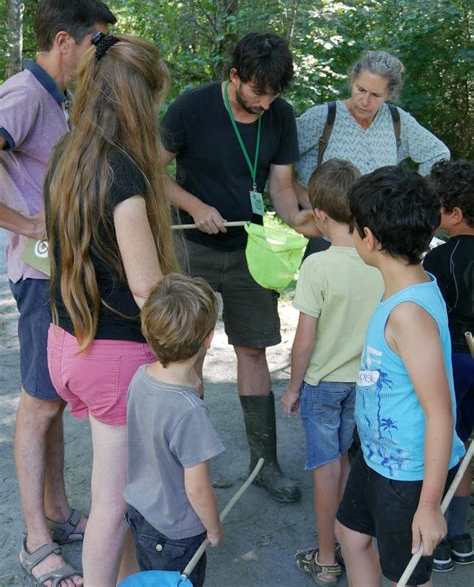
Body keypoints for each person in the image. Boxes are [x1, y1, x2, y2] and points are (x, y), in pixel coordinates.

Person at [44, 34, 177, 586]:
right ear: (137, 101)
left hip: (67, 342)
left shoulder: (67, 153)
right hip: (113, 353)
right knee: (113, 504)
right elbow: (148, 287)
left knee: (119, 494)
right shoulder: (123, 173)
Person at [160, 32, 316, 503]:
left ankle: (265, 465)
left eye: (273, 95)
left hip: (250, 248)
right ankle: (189, 469)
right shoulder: (191, 108)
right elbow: (151, 169)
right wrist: (193, 205)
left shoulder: (280, 115)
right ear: (234, 77)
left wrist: (301, 222)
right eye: (256, 93)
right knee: (188, 354)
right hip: (192, 246)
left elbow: (283, 188)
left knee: (254, 350)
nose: (265, 103)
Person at [0, 0, 116, 586]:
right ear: (65, 41)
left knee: (53, 395)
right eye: (97, 42)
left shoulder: (57, 97)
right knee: (40, 402)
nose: (101, 54)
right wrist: (25, 223)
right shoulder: (22, 95)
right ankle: (35, 539)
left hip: (60, 269)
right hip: (40, 273)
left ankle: (59, 512)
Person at [335, 166, 465, 587]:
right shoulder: (404, 287)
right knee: (350, 535)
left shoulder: (409, 314)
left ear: (368, 238)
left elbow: (441, 412)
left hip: (407, 472)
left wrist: (429, 506)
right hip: (377, 455)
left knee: (407, 577)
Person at [281, 159, 384, 585]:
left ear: (319, 214)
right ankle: (352, 540)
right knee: (350, 462)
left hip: (323, 386)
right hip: (367, 383)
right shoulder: (378, 260)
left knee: (327, 468)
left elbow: (304, 341)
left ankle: (327, 558)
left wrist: (292, 387)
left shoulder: (317, 266)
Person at [295, 50, 450, 257]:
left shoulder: (397, 121)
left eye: (376, 95)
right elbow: (279, 157)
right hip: (328, 240)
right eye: (360, 89)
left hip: (378, 241)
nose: (365, 101)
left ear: (390, 94)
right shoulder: (323, 118)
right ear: (352, 80)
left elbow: (438, 154)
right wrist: (301, 195)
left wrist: (408, 199)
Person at [124, 273, 225, 587]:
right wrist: (214, 527)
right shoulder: (190, 412)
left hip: (141, 515)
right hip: (177, 533)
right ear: (207, 338)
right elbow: (197, 489)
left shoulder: (141, 377)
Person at [424, 159, 474, 572]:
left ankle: (436, 534)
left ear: (454, 215)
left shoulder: (441, 261)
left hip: (456, 362)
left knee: (445, 444)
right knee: (468, 445)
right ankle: (460, 534)